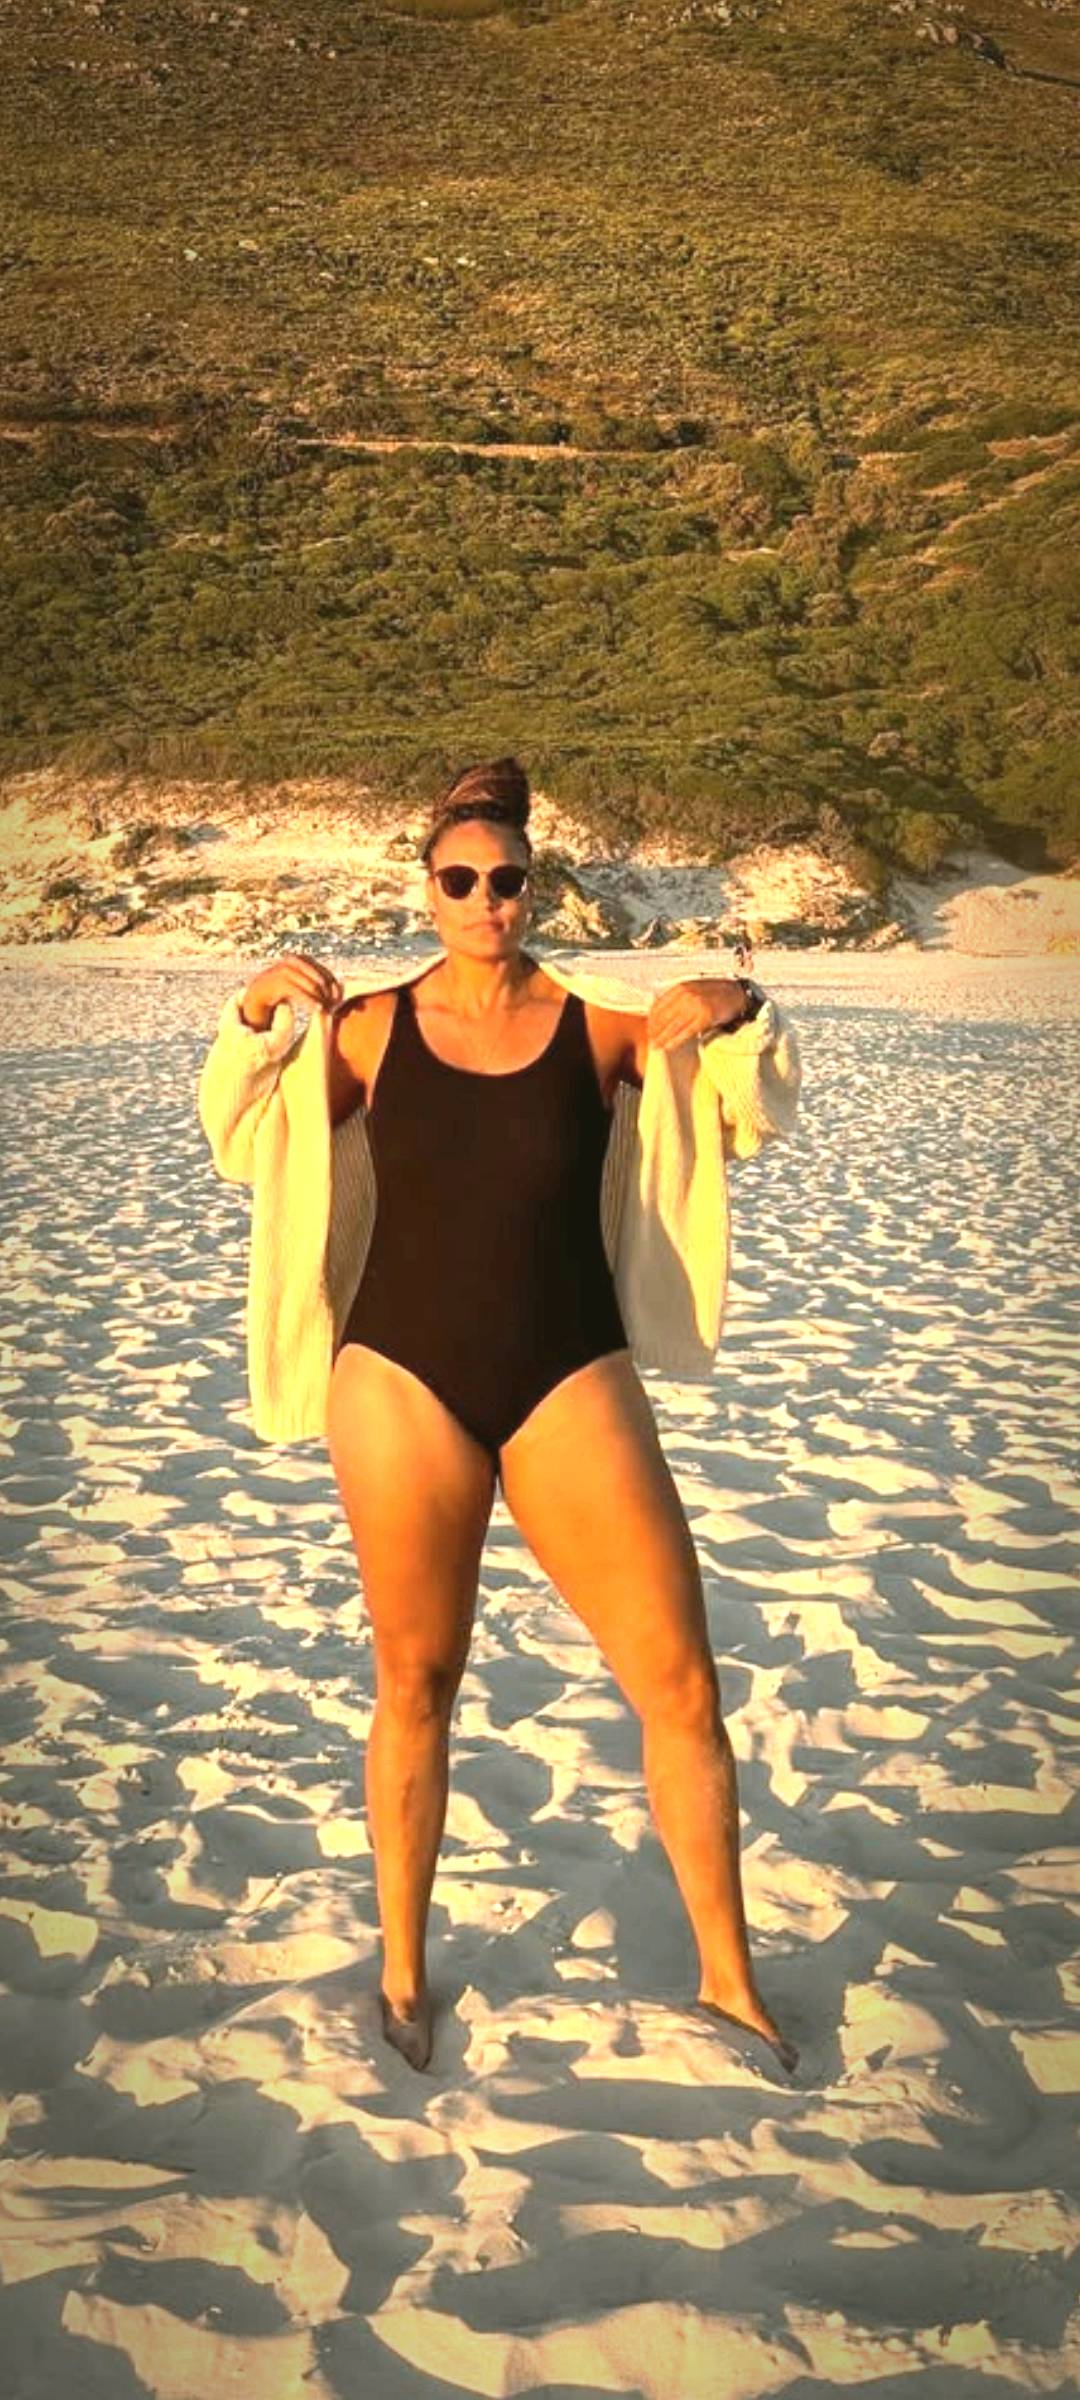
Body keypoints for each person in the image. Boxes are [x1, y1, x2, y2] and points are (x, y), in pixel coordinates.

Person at [197, 757, 802, 2075]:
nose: (485, 898)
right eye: (460, 878)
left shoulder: (605, 1029)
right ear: (427, 888)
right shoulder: (367, 1030)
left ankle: (731, 1982)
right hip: (399, 1376)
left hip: (568, 1366)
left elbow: (749, 1118)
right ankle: (403, 1977)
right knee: (417, 1678)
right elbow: (243, 1139)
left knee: (681, 1679)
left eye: (507, 879)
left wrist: (742, 1006)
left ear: (536, 888)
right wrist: (250, 1017)